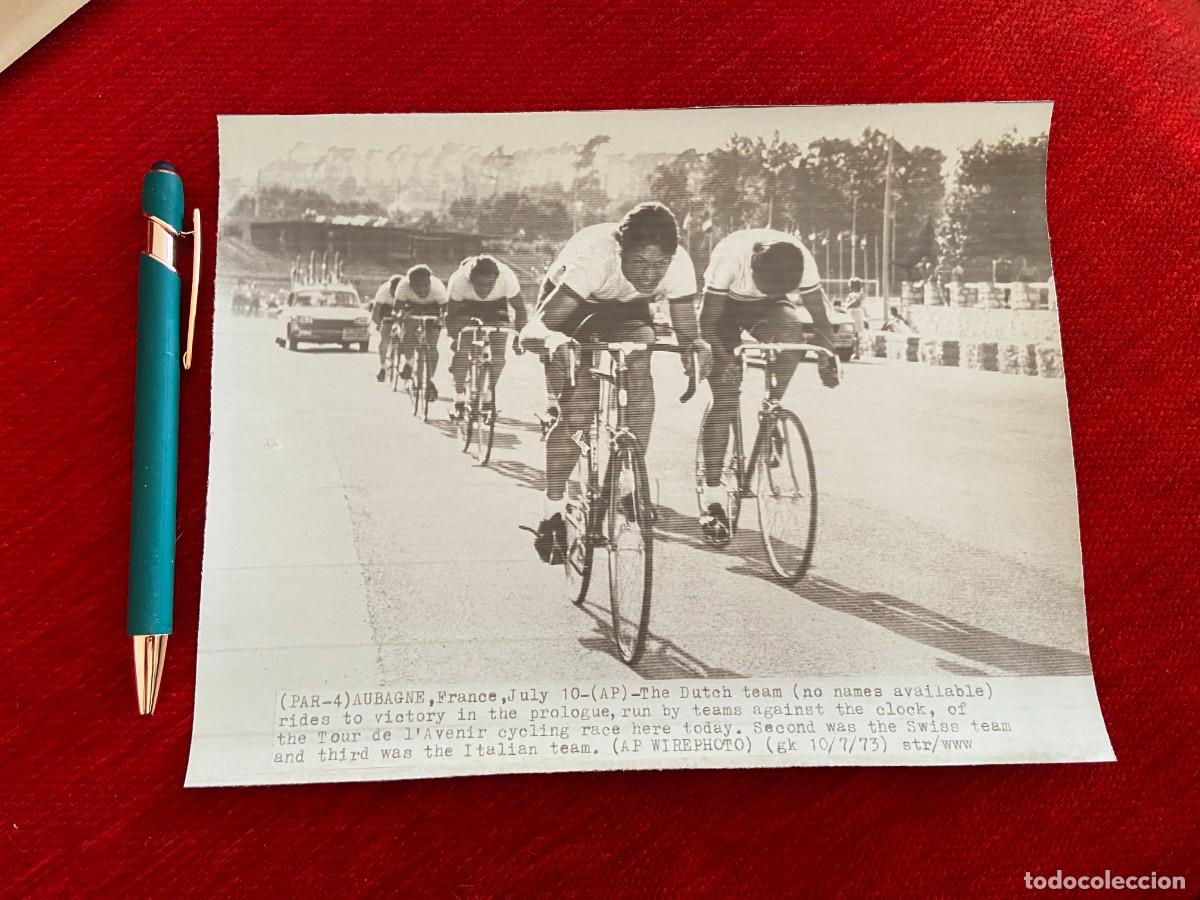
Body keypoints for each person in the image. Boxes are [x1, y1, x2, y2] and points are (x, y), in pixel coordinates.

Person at [520, 202, 711, 563]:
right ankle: (552, 511)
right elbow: (531, 331)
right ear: (621, 251)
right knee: (578, 413)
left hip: (626, 310)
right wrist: (552, 341)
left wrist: (696, 348)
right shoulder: (595, 259)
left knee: (643, 346)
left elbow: (688, 332)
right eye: (639, 262)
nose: (650, 275)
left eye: (659, 265)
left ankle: (629, 473)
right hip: (573, 306)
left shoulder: (679, 264)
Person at [696, 228, 840, 542]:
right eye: (769, 286)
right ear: (753, 269)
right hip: (722, 309)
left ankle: (771, 408)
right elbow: (706, 325)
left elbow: (820, 320)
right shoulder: (731, 260)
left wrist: (827, 356)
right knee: (725, 397)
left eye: (783, 288)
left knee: (792, 333)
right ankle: (712, 496)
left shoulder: (802, 261)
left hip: (769, 309)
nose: (774, 290)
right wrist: (723, 360)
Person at [445, 255, 528, 420]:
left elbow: (520, 310)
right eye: (479, 284)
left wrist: (519, 338)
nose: (484, 290)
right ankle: (459, 396)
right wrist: (455, 338)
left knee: (498, 356)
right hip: (466, 306)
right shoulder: (459, 281)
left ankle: (489, 395)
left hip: (496, 306)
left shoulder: (507, 278)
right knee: (462, 352)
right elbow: (451, 315)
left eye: (490, 284)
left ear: (496, 279)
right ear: (470, 280)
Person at [394, 264, 448, 399]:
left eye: (425, 285)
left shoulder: (438, 287)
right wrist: (399, 319)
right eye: (417, 287)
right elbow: (397, 309)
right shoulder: (403, 286)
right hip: (412, 306)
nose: (422, 290)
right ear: (410, 284)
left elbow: (445, 310)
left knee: (432, 346)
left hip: (433, 308)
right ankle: (408, 362)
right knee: (408, 332)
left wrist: (442, 319)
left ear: (430, 281)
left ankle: (429, 380)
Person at [373, 274, 404, 381]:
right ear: (390, 288)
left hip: (402, 306)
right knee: (385, 337)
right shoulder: (383, 290)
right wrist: (379, 324)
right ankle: (382, 367)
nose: (394, 294)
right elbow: (376, 311)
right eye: (392, 292)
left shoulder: (407, 289)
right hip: (386, 307)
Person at [845, 276, 866, 357]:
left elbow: (857, 303)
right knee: (850, 333)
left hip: (857, 314)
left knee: (856, 334)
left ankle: (857, 352)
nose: (850, 288)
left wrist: (849, 304)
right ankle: (850, 351)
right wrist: (849, 305)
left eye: (852, 286)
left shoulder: (861, 294)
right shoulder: (850, 295)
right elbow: (847, 304)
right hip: (850, 313)